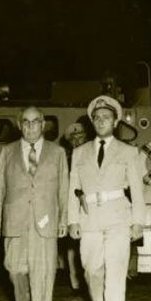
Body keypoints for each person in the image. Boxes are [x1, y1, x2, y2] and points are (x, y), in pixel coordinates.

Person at [68, 95, 145, 301]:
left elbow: (137, 189)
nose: (101, 121)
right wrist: (72, 220)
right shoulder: (79, 153)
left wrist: (138, 222)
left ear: (115, 122)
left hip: (118, 217)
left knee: (116, 269)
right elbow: (73, 189)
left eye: (106, 117)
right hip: (89, 217)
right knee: (91, 269)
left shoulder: (129, 152)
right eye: (97, 118)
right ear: (92, 122)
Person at [0, 106, 69, 301]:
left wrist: (64, 219)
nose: (31, 126)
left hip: (46, 220)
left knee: (43, 272)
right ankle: (22, 300)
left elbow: (64, 189)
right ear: (19, 125)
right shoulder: (8, 152)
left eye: (36, 122)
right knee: (14, 268)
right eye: (26, 122)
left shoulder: (58, 152)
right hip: (15, 218)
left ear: (43, 125)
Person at [62, 122, 88, 292]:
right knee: (72, 244)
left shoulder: (91, 155)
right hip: (70, 203)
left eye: (80, 137)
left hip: (88, 204)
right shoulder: (65, 159)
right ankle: (75, 282)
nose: (77, 141)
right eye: (74, 139)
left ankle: (88, 280)